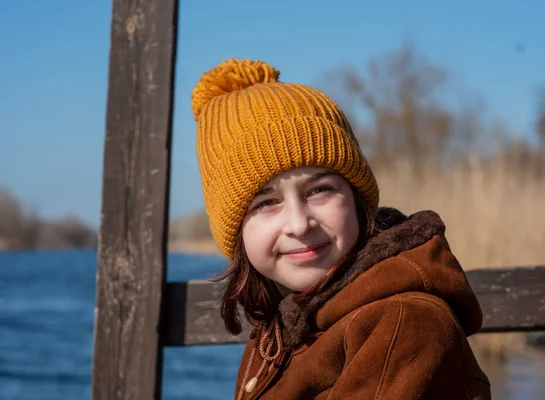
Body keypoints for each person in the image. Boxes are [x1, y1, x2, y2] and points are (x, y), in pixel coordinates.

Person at [190, 58, 491, 400]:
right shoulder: (283, 326)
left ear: (357, 200)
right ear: (236, 232)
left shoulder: (402, 322)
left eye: (320, 190)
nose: (300, 224)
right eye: (265, 204)